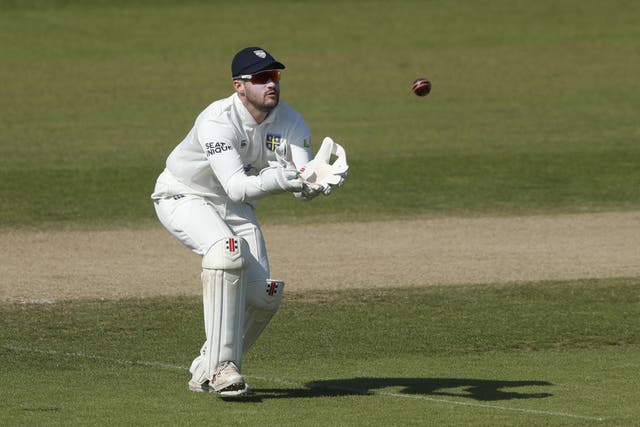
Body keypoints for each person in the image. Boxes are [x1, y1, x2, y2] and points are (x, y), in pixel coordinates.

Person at [151, 46, 348, 397]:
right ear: (239, 86)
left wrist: (316, 182)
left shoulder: (291, 122)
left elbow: (300, 181)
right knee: (227, 254)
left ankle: (206, 366)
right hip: (184, 195)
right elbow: (237, 187)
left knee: (265, 295)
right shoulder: (216, 120)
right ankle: (223, 370)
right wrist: (280, 180)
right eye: (260, 78)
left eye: (274, 76)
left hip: (233, 208)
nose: (271, 84)